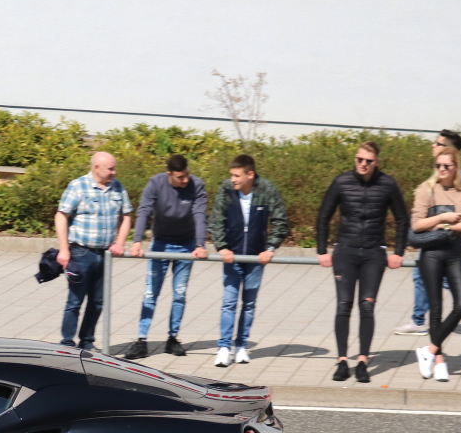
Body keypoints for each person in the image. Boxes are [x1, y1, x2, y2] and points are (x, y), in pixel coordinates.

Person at [316, 140, 407, 383]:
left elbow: (402, 219)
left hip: (373, 253)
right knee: (344, 305)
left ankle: (364, 361)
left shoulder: (387, 184)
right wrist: (322, 250)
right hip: (345, 251)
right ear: (355, 159)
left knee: (367, 306)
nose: (363, 164)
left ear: (376, 162)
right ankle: (343, 360)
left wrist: (398, 252)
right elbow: (323, 216)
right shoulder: (342, 181)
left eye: (368, 161)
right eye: (359, 160)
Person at [394, 129, 461, 337]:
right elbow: (418, 222)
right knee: (420, 276)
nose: (433, 146)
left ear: (450, 151)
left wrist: (443, 225)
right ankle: (418, 320)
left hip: (447, 246)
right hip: (432, 242)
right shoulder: (432, 184)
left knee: (440, 281)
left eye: (437, 143)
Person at [207, 154, 289, 367]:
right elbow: (216, 219)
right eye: (231, 175)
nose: (233, 180)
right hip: (232, 257)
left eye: (237, 175)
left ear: (250, 174)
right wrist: (222, 247)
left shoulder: (267, 189)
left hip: (255, 258)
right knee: (229, 302)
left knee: (249, 303)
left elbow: (281, 221)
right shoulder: (226, 189)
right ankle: (224, 347)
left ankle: (241, 346)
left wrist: (270, 248)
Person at [126, 154, 208, 359]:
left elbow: (200, 214)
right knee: (150, 293)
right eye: (180, 177)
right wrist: (137, 241)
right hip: (161, 243)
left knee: (179, 294)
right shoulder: (156, 183)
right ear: (169, 174)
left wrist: (200, 244)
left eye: (187, 174)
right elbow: (144, 210)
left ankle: (173, 339)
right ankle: (142, 340)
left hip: (187, 244)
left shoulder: (197, 185)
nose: (185, 180)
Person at [411, 146, 461, 382]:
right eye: (438, 165)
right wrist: (442, 218)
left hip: (455, 252)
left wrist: (444, 226)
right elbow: (417, 225)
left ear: (456, 167)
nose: (441, 169)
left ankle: (428, 350)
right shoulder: (426, 189)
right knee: (436, 308)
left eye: (446, 166)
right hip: (431, 253)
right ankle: (439, 361)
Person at [54, 151, 133, 349]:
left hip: (104, 254)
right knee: (75, 301)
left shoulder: (117, 187)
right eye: (111, 168)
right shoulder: (78, 186)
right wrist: (64, 249)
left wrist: (120, 242)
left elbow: (127, 216)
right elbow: (61, 216)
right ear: (96, 167)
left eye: (115, 168)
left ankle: (87, 342)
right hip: (81, 253)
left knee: (98, 302)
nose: (114, 172)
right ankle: (67, 344)